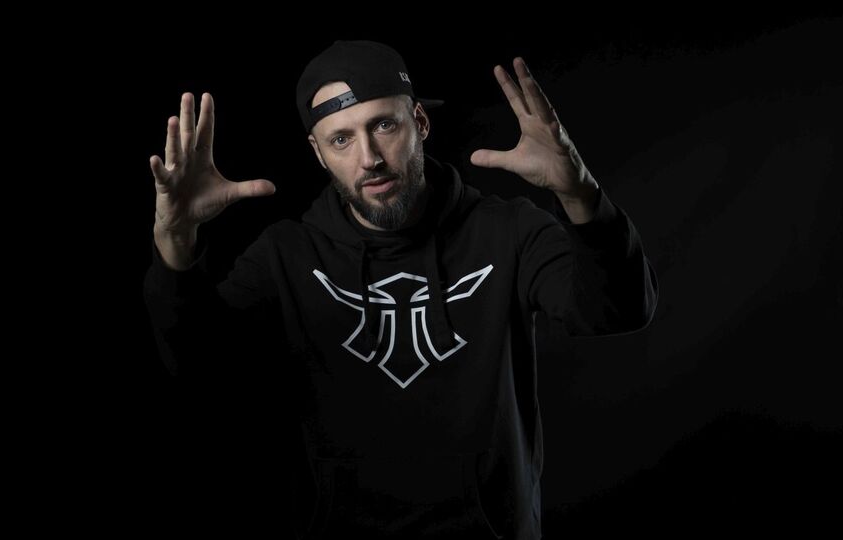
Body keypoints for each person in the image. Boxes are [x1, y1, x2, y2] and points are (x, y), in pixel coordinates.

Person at [144, 40, 658, 540]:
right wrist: (175, 242)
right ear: (318, 153)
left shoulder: (509, 232)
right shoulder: (286, 255)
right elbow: (198, 365)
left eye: (384, 125)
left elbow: (620, 311)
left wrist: (579, 194)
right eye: (341, 140)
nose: (369, 158)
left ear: (420, 122)